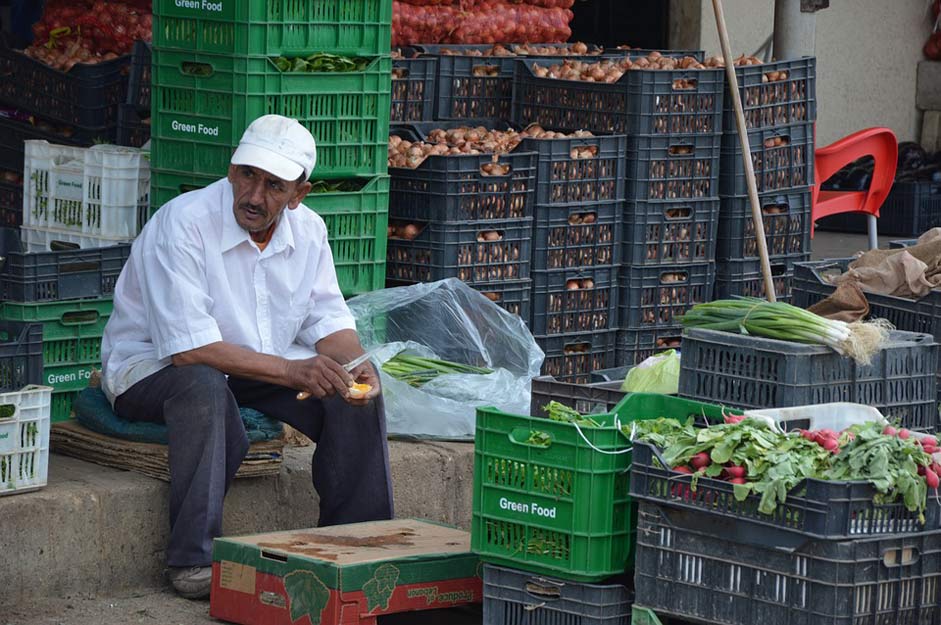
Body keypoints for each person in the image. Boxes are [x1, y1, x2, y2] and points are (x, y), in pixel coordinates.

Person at [100, 115, 394, 600]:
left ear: (300, 194)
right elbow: (189, 349)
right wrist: (292, 369)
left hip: (254, 364)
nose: (254, 196)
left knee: (351, 390)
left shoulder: (310, 231)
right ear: (231, 169)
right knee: (204, 385)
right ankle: (192, 558)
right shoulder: (184, 222)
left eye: (274, 185)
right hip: (153, 368)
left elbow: (327, 322)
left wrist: (357, 363)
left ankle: (358, 543)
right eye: (247, 175)